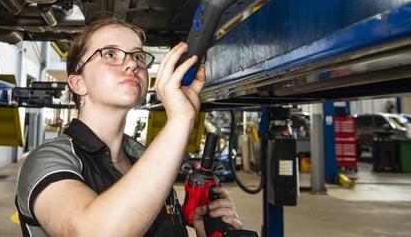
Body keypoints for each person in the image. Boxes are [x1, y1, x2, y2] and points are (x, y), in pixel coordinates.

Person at [16, 17, 243, 237]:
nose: (133, 64)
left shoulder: (144, 159)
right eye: (110, 54)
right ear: (79, 83)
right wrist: (181, 119)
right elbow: (91, 232)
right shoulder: (48, 161)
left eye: (138, 56)